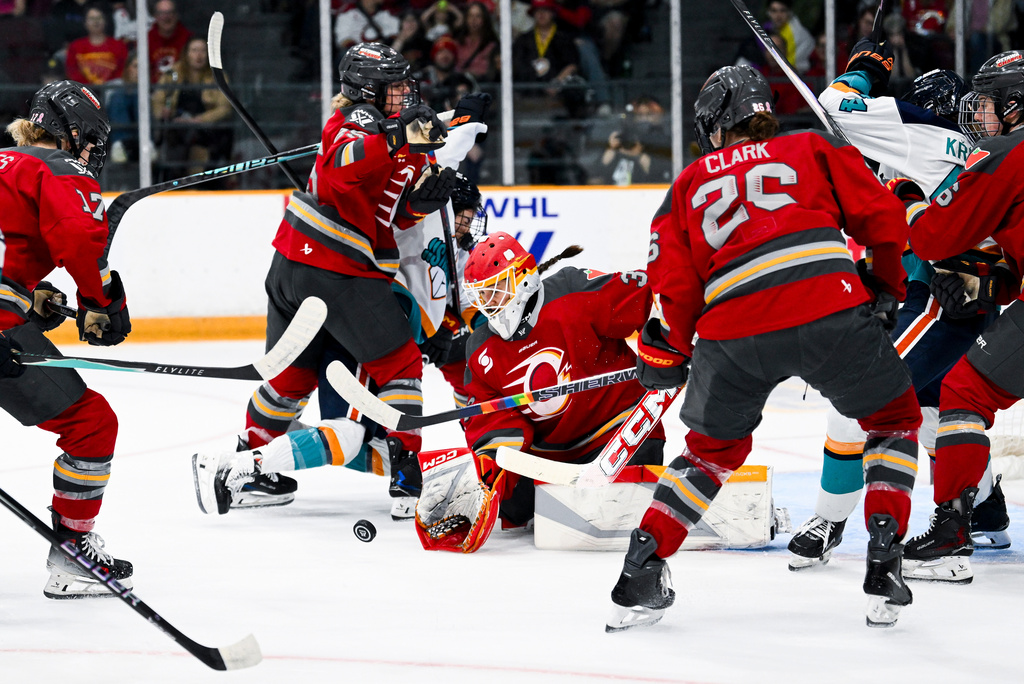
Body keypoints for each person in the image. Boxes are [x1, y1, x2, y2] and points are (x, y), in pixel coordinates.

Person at [605, 65, 922, 632]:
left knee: (708, 452)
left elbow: (673, 290)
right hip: (829, 306)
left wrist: (669, 354)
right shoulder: (810, 146)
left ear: (715, 124)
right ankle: (883, 554)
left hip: (733, 330)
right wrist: (887, 288)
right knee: (893, 422)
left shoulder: (684, 185)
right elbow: (884, 219)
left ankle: (642, 566)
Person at [191, 42, 454, 514]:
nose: (403, 92)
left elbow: (388, 211)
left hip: (292, 263)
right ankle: (405, 474)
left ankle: (246, 466)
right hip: (336, 269)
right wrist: (396, 137)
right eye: (393, 85)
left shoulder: (393, 130)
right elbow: (339, 169)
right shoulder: (358, 122)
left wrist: (420, 204)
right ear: (367, 89)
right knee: (400, 366)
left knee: (292, 377)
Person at [788, 45, 1012, 569]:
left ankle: (830, 521)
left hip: (938, 301)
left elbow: (836, 105)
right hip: (974, 301)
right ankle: (987, 514)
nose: (978, 116)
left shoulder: (922, 134)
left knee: (854, 399)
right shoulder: (986, 156)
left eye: (984, 105)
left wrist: (865, 70)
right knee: (940, 413)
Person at [412, 231, 662, 551]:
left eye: (496, 290)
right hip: (549, 459)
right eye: (482, 294)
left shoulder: (572, 290)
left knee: (621, 512)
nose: (489, 303)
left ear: (524, 278)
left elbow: (646, 296)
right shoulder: (480, 349)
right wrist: (491, 467)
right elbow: (493, 420)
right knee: (511, 508)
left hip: (621, 433)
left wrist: (669, 343)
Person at [0, 79, 133, 598]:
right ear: (66, 129)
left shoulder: (9, 161)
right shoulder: (59, 166)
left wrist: (28, 298)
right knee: (90, 424)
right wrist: (101, 303)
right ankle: (73, 552)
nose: (91, 153)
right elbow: (78, 240)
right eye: (89, 139)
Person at [900, 50, 1024, 584]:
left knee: (964, 394)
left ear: (1015, 105)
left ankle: (951, 534)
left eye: (993, 101)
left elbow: (935, 236)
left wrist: (907, 196)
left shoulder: (1006, 152)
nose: (985, 112)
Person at [151, 37, 233, 181]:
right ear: (186, 53)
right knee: (174, 137)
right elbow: (158, 100)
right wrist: (163, 112)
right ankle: (174, 179)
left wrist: (199, 120)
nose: (198, 55)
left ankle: (190, 182)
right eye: (194, 50)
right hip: (176, 126)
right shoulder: (173, 73)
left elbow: (225, 108)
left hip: (207, 128)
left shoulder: (218, 75)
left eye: (202, 51)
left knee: (197, 139)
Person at [65, 5, 128, 85]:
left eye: (99, 18)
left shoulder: (118, 45)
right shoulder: (75, 46)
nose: (96, 22)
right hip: (83, 90)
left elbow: (122, 69)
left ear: (105, 21)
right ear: (85, 23)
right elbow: (72, 70)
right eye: (91, 19)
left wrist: (105, 85)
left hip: (112, 89)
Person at [147, 0, 191, 84]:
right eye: (161, 13)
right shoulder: (146, 40)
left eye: (170, 12)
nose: (166, 17)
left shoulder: (188, 39)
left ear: (176, 15)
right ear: (155, 16)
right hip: (151, 91)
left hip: (182, 90)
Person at [764, 0, 814, 73]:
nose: (778, 15)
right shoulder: (769, 28)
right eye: (774, 11)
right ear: (768, 12)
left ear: (790, 12)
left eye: (782, 11)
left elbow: (791, 66)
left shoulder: (797, 33)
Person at [334, 0, 399, 52]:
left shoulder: (386, 13)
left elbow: (394, 36)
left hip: (381, 57)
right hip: (356, 59)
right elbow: (343, 41)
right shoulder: (348, 13)